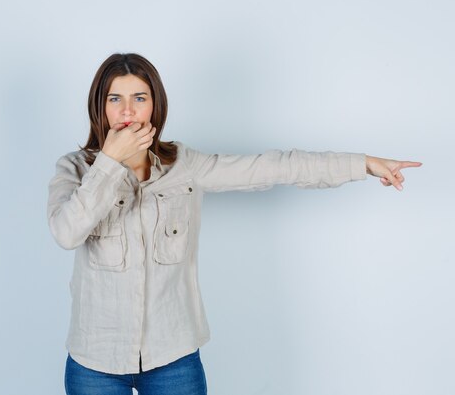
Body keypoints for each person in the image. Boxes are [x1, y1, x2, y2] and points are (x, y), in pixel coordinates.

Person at [47, 53, 422, 395]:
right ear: (100, 105)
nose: (128, 111)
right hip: (94, 361)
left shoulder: (184, 165)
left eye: (139, 97)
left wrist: (364, 163)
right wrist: (110, 162)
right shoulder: (74, 169)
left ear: (155, 105)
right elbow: (66, 232)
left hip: (173, 358)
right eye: (115, 98)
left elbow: (274, 166)